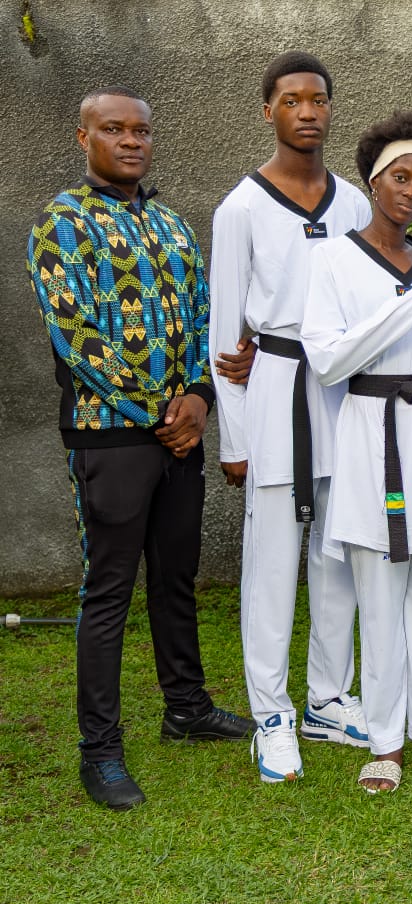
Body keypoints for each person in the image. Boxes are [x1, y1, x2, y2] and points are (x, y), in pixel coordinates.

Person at [27, 87, 254, 810]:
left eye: (142, 131)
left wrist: (199, 398)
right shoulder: (62, 223)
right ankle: (100, 750)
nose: (131, 141)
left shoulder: (172, 224)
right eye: (114, 129)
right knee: (108, 592)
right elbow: (78, 337)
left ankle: (185, 709)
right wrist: (163, 413)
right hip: (109, 436)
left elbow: (200, 318)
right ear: (83, 136)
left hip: (179, 434)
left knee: (176, 578)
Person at [302, 111, 412, 793]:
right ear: (374, 181)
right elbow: (327, 361)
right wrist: (408, 306)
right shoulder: (334, 259)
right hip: (375, 442)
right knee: (380, 595)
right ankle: (384, 739)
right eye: (400, 177)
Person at [209, 51, 372, 785]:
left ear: (331, 110)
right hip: (273, 387)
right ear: (267, 111)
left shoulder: (355, 206)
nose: (308, 111)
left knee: (338, 557)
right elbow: (224, 336)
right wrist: (236, 437)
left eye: (319, 100)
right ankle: (270, 713)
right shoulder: (241, 207)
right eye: (292, 100)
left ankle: (328, 699)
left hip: (342, 395)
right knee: (272, 566)